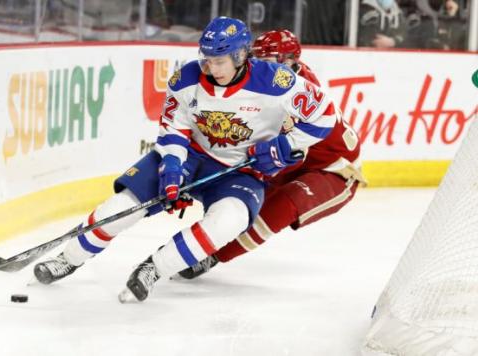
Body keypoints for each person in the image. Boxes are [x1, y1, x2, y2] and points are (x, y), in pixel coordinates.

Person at [32, 17, 340, 303]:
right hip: (192, 157)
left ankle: (154, 267)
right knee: (122, 207)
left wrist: (285, 145)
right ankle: (68, 258)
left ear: (240, 56)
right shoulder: (186, 78)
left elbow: (326, 115)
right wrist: (173, 167)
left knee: (228, 222)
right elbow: (173, 129)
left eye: (219, 61)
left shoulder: (277, 82)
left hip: (241, 172)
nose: (211, 67)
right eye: (207, 58)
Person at [176, 29, 365, 280]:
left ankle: (212, 256)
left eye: (267, 61)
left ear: (289, 61)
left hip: (333, 169)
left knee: (278, 206)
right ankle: (200, 245)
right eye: (256, 59)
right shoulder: (272, 79)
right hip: (293, 160)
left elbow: (279, 150)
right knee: (238, 204)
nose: (259, 66)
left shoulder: (295, 92)